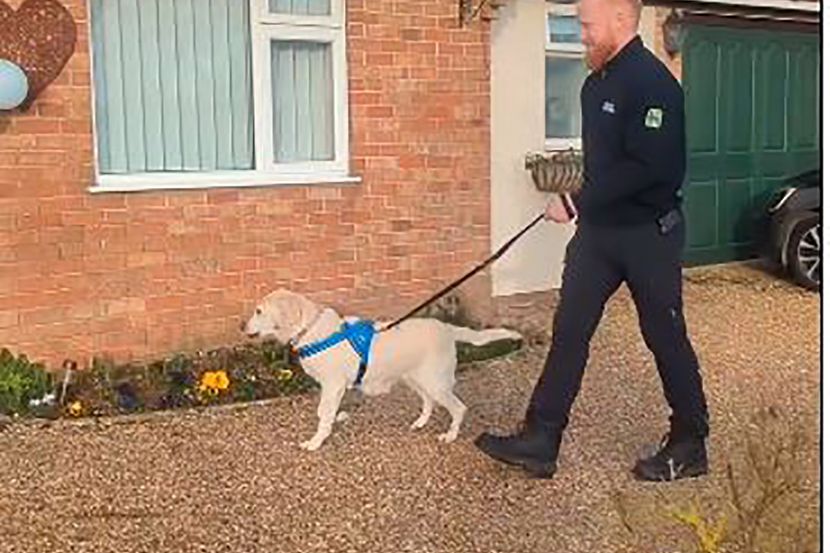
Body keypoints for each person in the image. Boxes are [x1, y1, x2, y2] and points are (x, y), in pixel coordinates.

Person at [474, 0, 709, 481]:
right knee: (570, 331)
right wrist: (585, 203)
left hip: (648, 235)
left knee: (663, 335)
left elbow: (653, 169)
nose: (581, 34)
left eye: (586, 25)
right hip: (599, 236)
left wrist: (575, 200)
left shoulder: (654, 84)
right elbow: (604, 164)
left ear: (621, 19)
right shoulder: (594, 84)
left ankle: (690, 441)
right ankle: (541, 437)